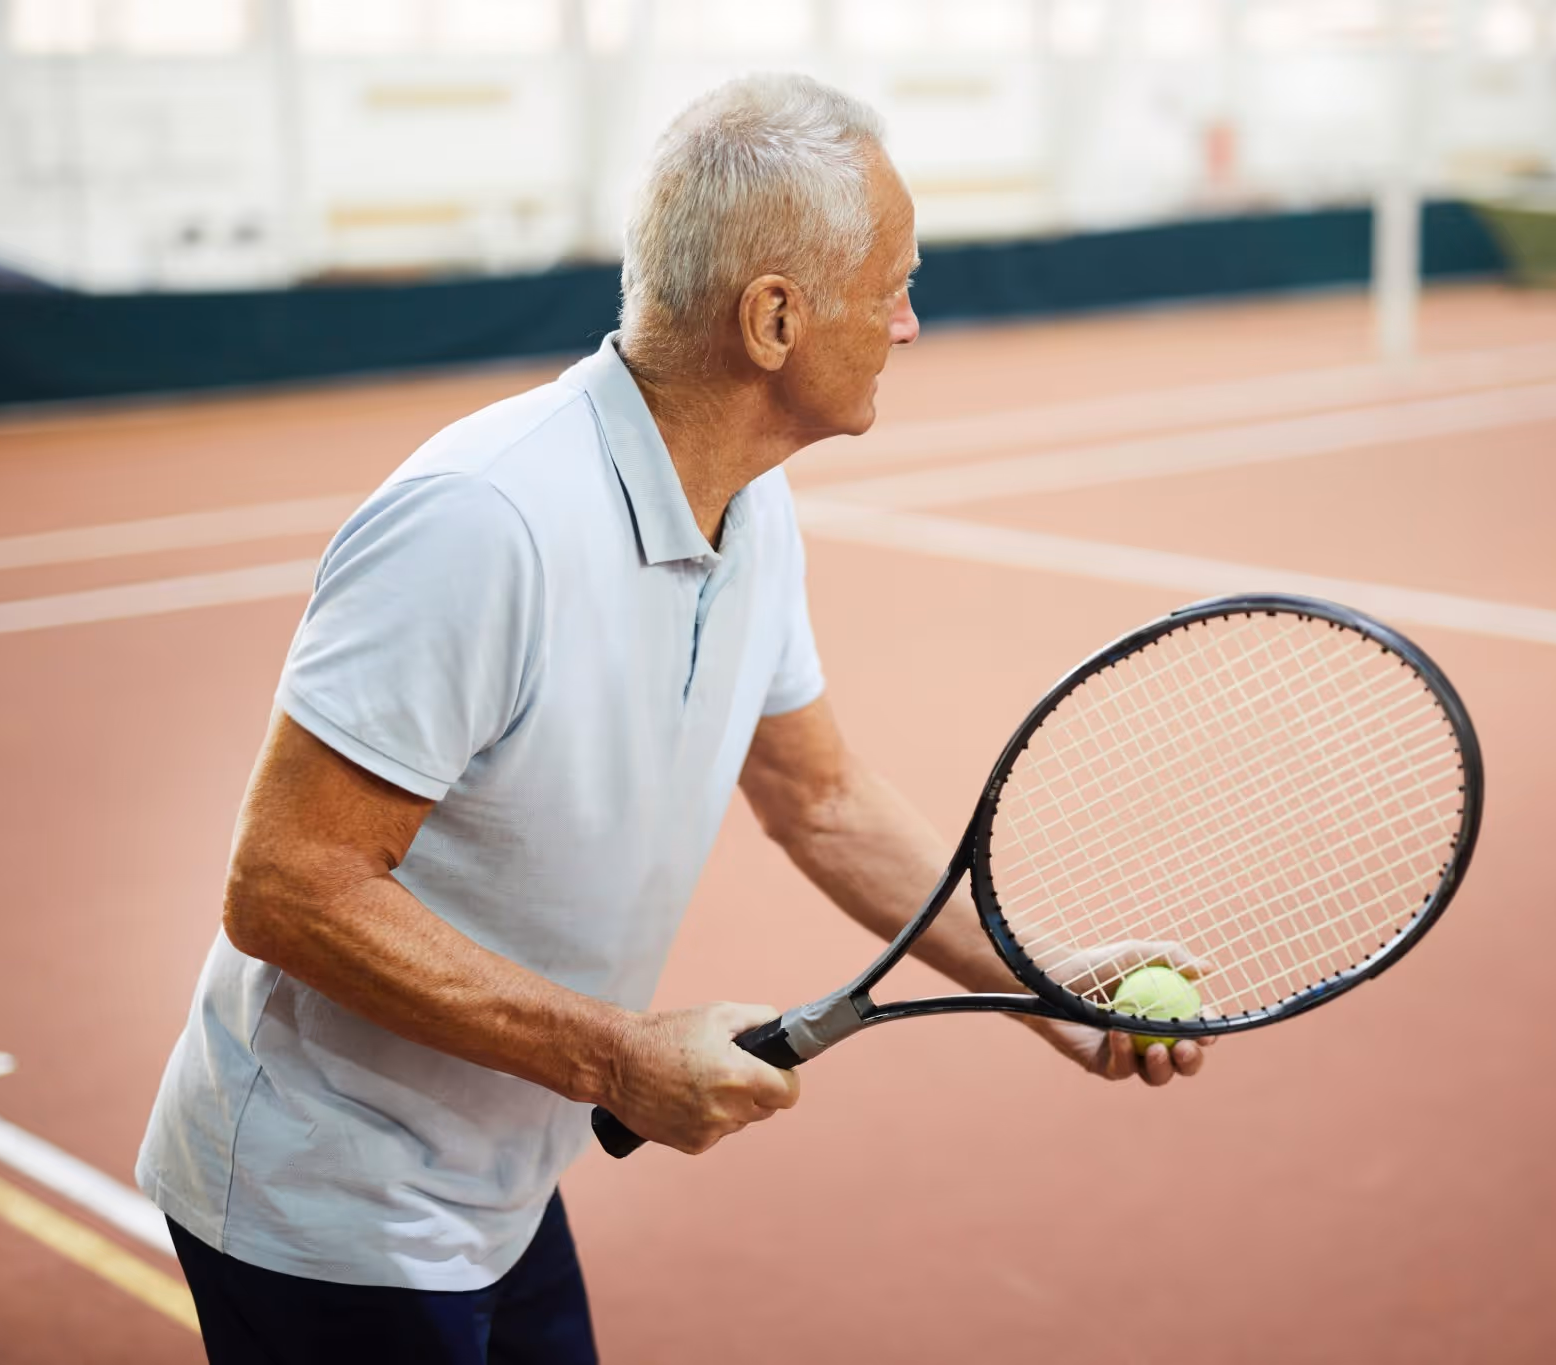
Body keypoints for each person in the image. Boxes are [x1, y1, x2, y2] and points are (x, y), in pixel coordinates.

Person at [136, 73, 1210, 1365]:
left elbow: (816, 796)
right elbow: (286, 890)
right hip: (326, 1203)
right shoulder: (484, 521)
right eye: (892, 287)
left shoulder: (751, 508)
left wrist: (1043, 985)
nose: (910, 325)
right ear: (774, 318)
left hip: (504, 1180)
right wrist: (617, 1057)